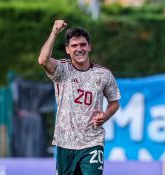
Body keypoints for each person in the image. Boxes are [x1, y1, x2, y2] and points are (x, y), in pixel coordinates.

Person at [38, 19, 121, 175]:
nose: (79, 49)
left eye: (83, 45)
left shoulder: (103, 74)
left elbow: (114, 102)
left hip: (92, 142)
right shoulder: (62, 70)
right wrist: (54, 32)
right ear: (68, 49)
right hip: (65, 142)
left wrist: (106, 115)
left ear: (89, 46)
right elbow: (43, 60)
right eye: (74, 46)